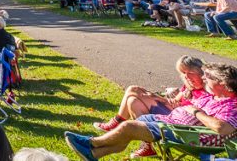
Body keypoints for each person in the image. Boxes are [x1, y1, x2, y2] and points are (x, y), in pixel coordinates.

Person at [65, 62, 237, 160]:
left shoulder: (232, 105)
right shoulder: (213, 96)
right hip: (173, 125)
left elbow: (223, 128)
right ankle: (94, 154)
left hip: (186, 135)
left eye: (209, 77)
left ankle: (91, 143)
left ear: (224, 84)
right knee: (132, 119)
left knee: (129, 128)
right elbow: (187, 102)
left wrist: (195, 112)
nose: (204, 78)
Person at [94, 56, 208, 133]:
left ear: (200, 72)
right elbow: (174, 102)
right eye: (183, 73)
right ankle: (147, 145)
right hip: (172, 111)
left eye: (190, 73)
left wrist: (159, 99)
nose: (187, 77)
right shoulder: (188, 86)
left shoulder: (207, 91)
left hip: (179, 120)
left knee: (133, 92)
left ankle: (116, 123)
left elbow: (195, 112)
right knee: (133, 100)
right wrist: (168, 97)